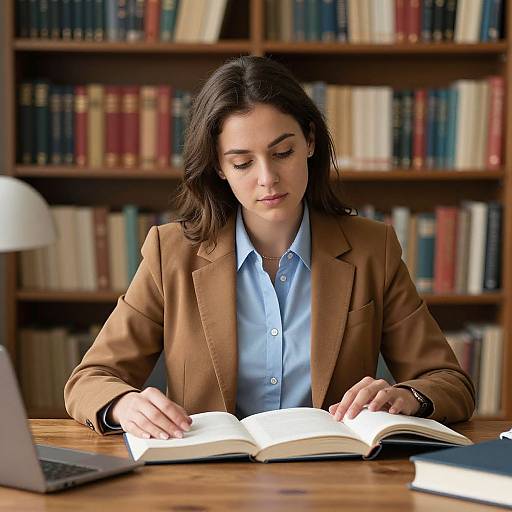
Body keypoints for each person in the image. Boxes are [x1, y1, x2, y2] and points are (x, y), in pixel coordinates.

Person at [64, 56, 475, 440]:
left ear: (309, 142)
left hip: (333, 474)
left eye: (282, 153)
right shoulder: (169, 252)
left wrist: (409, 397)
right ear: (219, 169)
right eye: (242, 163)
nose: (267, 178)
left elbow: (448, 381)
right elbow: (90, 379)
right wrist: (123, 404)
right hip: (206, 477)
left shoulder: (372, 248)